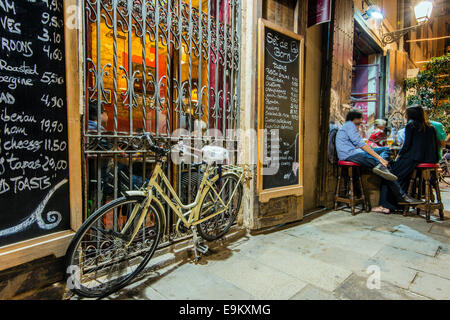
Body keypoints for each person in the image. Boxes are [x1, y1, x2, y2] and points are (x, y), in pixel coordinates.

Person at [336, 109, 422, 210]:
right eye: (360, 120)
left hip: (356, 153)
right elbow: (362, 144)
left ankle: (381, 167)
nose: (362, 122)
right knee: (384, 164)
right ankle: (401, 195)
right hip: (349, 155)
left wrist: (380, 159)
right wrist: (379, 158)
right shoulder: (349, 125)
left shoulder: (350, 127)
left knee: (386, 150)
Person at [375, 105, 438, 213]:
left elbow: (406, 146)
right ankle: (401, 204)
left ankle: (386, 206)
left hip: (413, 159)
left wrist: (399, 156)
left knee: (388, 174)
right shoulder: (430, 127)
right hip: (428, 160)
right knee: (403, 176)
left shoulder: (411, 125)